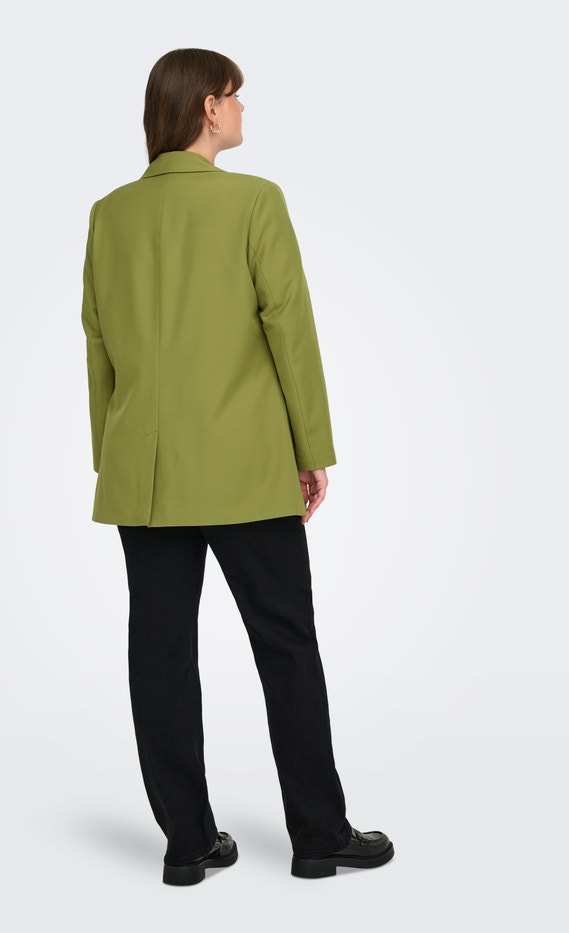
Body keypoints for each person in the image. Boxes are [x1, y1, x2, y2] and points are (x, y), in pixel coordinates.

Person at [81, 48, 394, 885]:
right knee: (286, 644)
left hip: (144, 477)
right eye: (236, 97)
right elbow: (289, 327)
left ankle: (187, 843)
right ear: (208, 108)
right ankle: (319, 834)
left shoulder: (110, 214)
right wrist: (311, 450)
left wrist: (112, 459)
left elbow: (98, 346)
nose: (244, 109)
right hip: (246, 468)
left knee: (160, 654)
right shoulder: (255, 201)